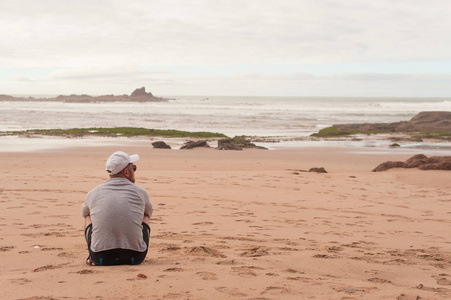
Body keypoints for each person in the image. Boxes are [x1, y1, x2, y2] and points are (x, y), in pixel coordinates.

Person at [82, 151, 153, 266]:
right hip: (135, 257)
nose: (134, 171)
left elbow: (84, 213)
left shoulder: (93, 193)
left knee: (88, 215)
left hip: (100, 257)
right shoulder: (141, 192)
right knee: (145, 214)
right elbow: (149, 212)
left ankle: (93, 254)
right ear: (126, 172)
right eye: (133, 168)